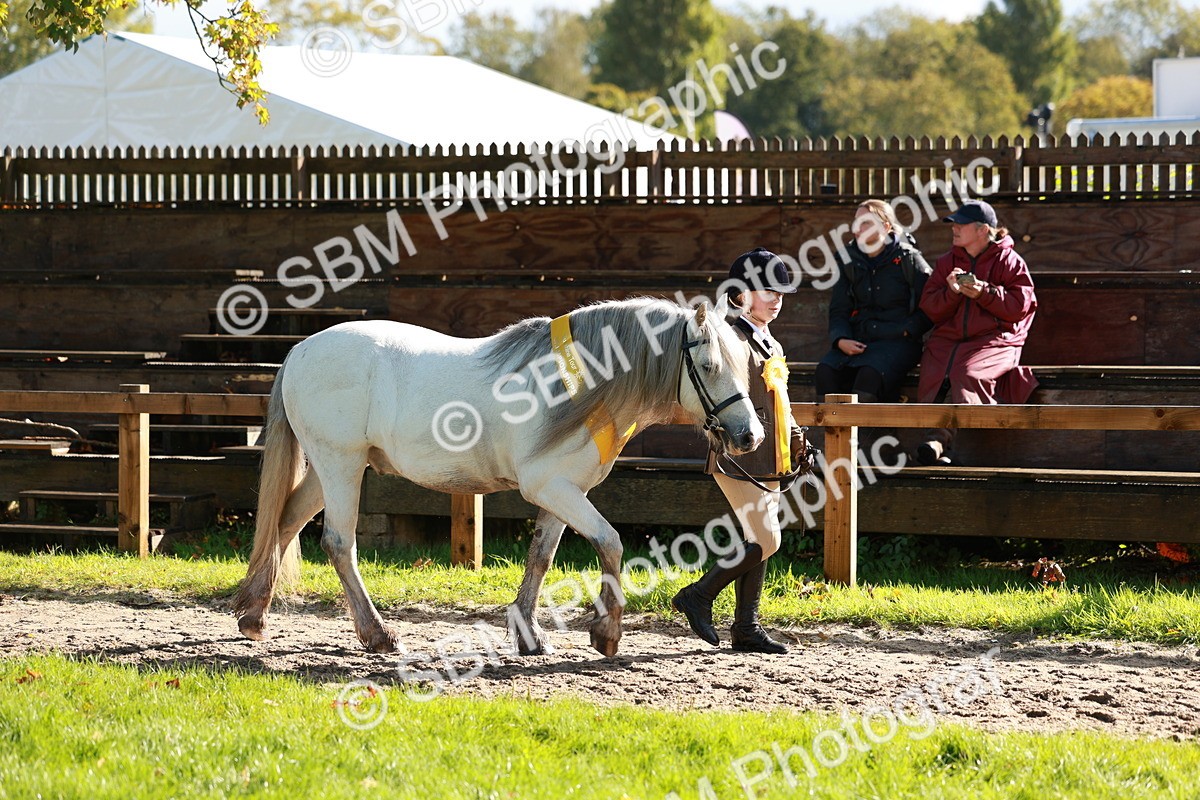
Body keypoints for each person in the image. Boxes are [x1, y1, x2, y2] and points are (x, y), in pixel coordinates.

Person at [672, 247, 810, 655]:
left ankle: (746, 628)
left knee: (758, 538)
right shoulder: (730, 337)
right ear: (739, 295)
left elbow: (777, 401)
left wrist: (798, 437)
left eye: (781, 291)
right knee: (768, 540)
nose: (776, 297)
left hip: (769, 454)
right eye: (766, 289)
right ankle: (697, 596)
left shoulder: (769, 340)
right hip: (739, 454)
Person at [916, 199, 1038, 465]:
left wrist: (985, 292)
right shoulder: (947, 262)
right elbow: (930, 307)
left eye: (961, 224)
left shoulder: (1010, 261)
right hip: (949, 341)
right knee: (935, 371)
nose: (954, 229)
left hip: (996, 341)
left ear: (983, 230)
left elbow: (1020, 306)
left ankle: (944, 445)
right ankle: (940, 446)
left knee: (965, 373)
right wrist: (951, 292)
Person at [816, 200, 933, 404]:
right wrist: (840, 339)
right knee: (825, 372)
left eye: (865, 223)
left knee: (869, 375)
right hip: (859, 339)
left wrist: (907, 330)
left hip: (898, 342)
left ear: (886, 227)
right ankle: (832, 435)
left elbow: (931, 306)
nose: (857, 229)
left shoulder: (909, 258)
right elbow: (839, 309)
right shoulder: (847, 259)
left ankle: (866, 436)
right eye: (856, 222)